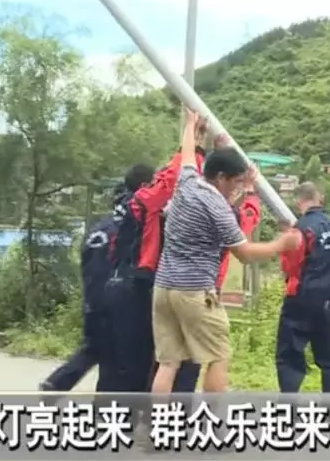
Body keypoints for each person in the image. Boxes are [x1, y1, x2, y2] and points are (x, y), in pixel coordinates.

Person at [150, 110, 299, 395]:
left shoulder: (187, 181)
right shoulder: (216, 206)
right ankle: (214, 420)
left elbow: (188, 154)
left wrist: (192, 126)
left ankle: (159, 423)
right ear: (220, 178)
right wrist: (281, 244)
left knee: (168, 364)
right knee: (218, 357)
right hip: (194, 291)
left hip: (164, 288)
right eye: (236, 181)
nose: (238, 188)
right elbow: (244, 252)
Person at [104, 142, 205, 394]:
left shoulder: (129, 205)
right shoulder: (144, 201)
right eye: (154, 182)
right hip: (134, 285)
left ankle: (120, 410)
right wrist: (192, 147)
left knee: (131, 359)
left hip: (122, 282)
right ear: (144, 185)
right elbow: (171, 179)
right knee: (140, 360)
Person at [38, 178, 142, 394]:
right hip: (118, 300)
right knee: (116, 360)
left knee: (95, 348)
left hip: (92, 300)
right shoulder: (130, 227)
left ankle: (57, 383)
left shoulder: (97, 229)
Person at [166, 171, 262, 393]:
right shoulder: (223, 216)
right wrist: (250, 193)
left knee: (169, 359)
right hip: (203, 286)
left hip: (171, 282)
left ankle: (159, 409)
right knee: (208, 353)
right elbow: (246, 224)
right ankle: (189, 407)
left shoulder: (188, 206)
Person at [275, 182, 330, 394]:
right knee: (327, 356)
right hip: (329, 298)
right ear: (320, 199)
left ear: (299, 202)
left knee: (289, 356)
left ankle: (289, 406)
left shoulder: (301, 229)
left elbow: (290, 265)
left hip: (301, 298)